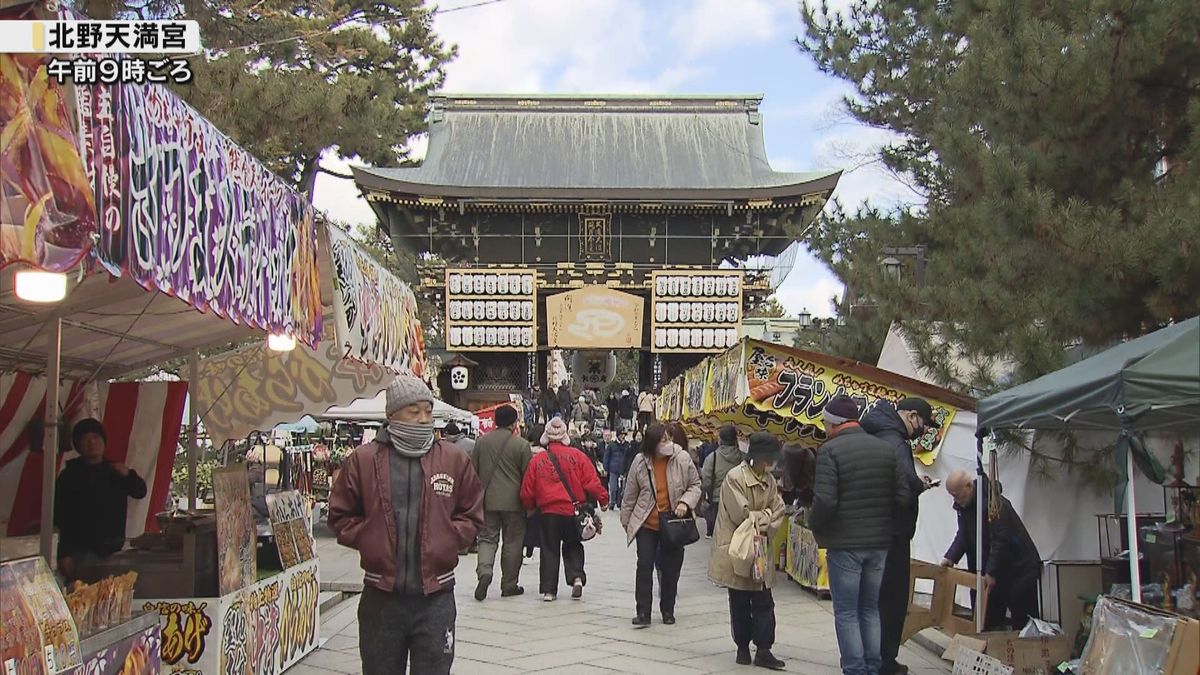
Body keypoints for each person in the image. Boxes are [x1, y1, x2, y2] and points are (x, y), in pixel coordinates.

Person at [327, 374, 484, 675]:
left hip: (435, 597)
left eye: (427, 410)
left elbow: (472, 512)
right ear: (392, 414)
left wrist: (449, 538)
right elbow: (340, 515)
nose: (424, 418)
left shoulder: (452, 460)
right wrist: (370, 538)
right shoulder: (363, 460)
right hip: (381, 597)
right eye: (414, 411)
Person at [808, 396, 911, 675]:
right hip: (879, 543)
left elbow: (825, 501)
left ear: (833, 423)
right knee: (870, 608)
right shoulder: (886, 450)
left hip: (845, 544)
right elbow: (903, 496)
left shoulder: (830, 451)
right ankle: (873, 665)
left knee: (847, 612)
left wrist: (813, 524)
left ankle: (855, 668)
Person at [860, 398, 940, 675]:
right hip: (893, 530)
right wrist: (920, 486)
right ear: (912, 416)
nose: (923, 430)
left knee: (870, 598)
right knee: (891, 598)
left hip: (871, 526)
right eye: (924, 424)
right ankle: (884, 659)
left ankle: (868, 657)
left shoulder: (873, 432)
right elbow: (904, 483)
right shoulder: (895, 440)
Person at [708, 432, 787, 670]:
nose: (771, 464)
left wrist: (762, 518)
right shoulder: (735, 477)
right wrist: (765, 516)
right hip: (738, 548)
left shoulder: (770, 480)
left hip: (760, 548)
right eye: (769, 458)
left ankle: (764, 649)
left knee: (765, 600)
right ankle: (742, 647)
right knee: (739, 599)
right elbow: (741, 514)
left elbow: (779, 510)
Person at [619, 423, 702, 627]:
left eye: (668, 438)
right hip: (647, 523)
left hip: (672, 522)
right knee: (644, 565)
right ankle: (643, 612)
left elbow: (695, 485)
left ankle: (668, 609)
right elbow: (630, 495)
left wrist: (685, 502)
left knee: (670, 569)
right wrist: (627, 521)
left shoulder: (681, 458)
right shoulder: (640, 462)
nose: (668, 443)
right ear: (652, 444)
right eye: (663, 440)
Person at [519, 417, 608, 601]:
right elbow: (591, 481)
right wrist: (603, 500)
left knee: (549, 549)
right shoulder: (578, 456)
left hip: (548, 512)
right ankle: (576, 577)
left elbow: (527, 489)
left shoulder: (539, 460)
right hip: (572, 511)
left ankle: (549, 590)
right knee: (573, 545)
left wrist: (529, 507)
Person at [942, 470, 1042, 631]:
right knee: (987, 619)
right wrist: (951, 557)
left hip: (1017, 568)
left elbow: (1001, 540)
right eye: (953, 496)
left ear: (969, 486)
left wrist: (991, 571)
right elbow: (964, 535)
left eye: (958, 495)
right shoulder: (965, 507)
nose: (956, 500)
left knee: (1023, 620)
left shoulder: (994, 504)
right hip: (991, 568)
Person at [54, 418, 148, 580]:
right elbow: (60, 516)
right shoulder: (70, 475)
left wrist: (128, 475)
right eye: (85, 439)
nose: (92, 443)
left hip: (114, 551)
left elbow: (140, 491)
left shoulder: (115, 470)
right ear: (78, 445)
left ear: (104, 442)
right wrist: (64, 553)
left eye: (96, 438)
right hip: (80, 553)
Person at [471, 404, 533, 601]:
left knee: (487, 539)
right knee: (513, 542)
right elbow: (528, 477)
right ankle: (509, 584)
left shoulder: (481, 442)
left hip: (487, 500)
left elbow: (473, 471)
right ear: (514, 422)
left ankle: (485, 571)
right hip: (514, 503)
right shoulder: (521, 445)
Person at [701, 425, 743, 539]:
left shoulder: (712, 458)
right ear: (735, 440)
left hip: (718, 501)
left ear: (720, 440)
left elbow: (705, 481)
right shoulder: (743, 458)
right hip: (740, 501)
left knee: (721, 537)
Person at [601, 431, 629, 510]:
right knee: (613, 487)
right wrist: (605, 468)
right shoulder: (612, 445)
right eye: (621, 435)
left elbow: (628, 456)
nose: (622, 436)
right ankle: (612, 502)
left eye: (623, 435)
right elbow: (606, 457)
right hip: (613, 468)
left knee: (622, 488)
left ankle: (620, 503)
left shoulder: (627, 445)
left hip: (623, 469)